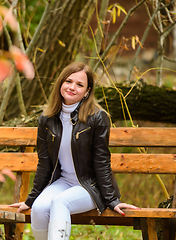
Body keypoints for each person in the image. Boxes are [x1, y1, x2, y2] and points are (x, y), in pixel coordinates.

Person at [9, 62, 139, 239]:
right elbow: (45, 163)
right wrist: (31, 199)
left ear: (87, 92)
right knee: (39, 208)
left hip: (90, 186)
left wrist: (111, 199)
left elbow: (101, 161)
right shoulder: (47, 119)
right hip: (63, 182)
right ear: (61, 83)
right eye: (68, 81)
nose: (72, 87)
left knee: (60, 202)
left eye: (79, 85)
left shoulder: (97, 117)